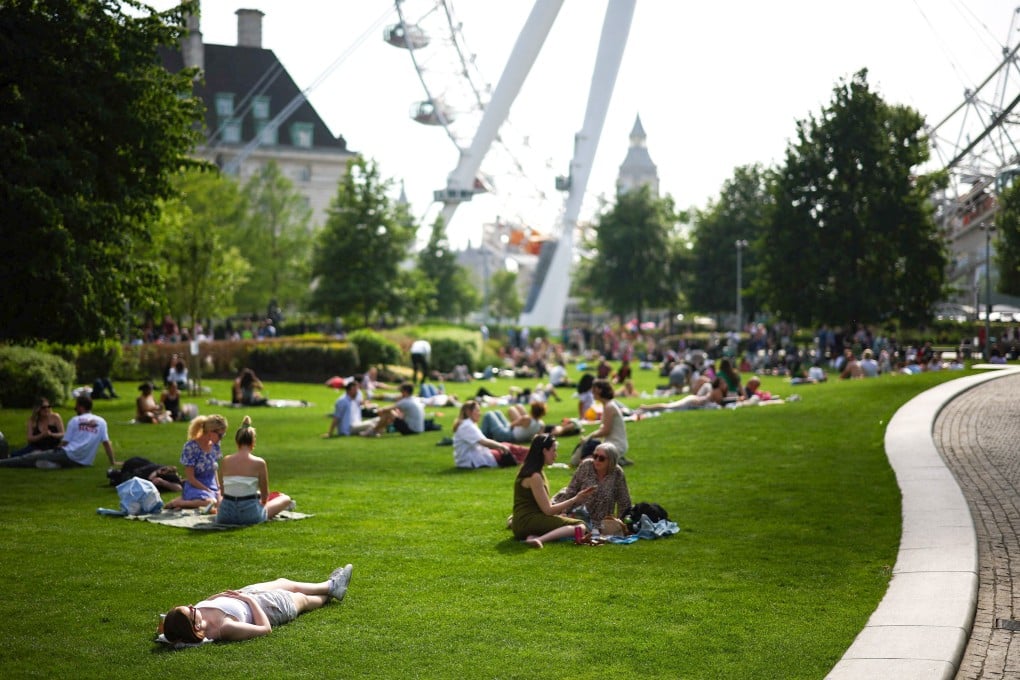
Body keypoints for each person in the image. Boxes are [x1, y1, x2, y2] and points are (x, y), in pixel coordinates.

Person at [161, 565, 353, 644]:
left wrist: (222, 596)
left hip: (246, 594)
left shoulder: (185, 622)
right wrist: (249, 600)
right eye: (192, 610)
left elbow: (168, 629)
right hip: (265, 608)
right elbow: (264, 629)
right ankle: (329, 593)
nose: (192, 605)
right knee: (302, 599)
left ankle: (329, 585)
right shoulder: (223, 628)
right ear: (195, 626)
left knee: (286, 582)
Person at [511, 434, 596, 548]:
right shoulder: (535, 476)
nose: (556, 455)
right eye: (553, 451)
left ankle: (531, 536)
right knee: (580, 525)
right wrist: (576, 499)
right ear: (544, 451)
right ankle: (539, 539)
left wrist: (560, 515)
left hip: (521, 522)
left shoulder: (531, 470)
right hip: (526, 522)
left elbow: (544, 507)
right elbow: (548, 511)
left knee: (566, 519)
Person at [0, 394, 117, 469]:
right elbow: (106, 443)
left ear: (81, 407)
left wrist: (53, 451)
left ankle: (3, 463)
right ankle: (45, 463)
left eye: (76, 406)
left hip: (68, 454)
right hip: (83, 462)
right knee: (38, 458)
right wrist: (113, 461)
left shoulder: (75, 420)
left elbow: (65, 442)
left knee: (29, 458)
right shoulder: (102, 422)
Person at [215, 416, 293, 525]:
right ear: (253, 442)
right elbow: (265, 496)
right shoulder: (259, 463)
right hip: (250, 515)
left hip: (225, 516)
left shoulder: (226, 461)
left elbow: (223, 492)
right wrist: (261, 503)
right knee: (286, 499)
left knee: (219, 494)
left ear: (237, 442)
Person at [552, 442, 631, 526]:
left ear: (611, 460)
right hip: (577, 515)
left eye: (601, 458)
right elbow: (571, 490)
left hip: (602, 521)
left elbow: (624, 501)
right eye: (595, 456)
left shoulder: (617, 473)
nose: (596, 460)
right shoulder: (586, 466)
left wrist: (622, 524)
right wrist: (564, 512)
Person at [164, 415, 228, 510]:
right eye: (220, 435)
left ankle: (183, 502)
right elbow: (191, 478)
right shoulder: (191, 447)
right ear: (211, 432)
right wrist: (207, 490)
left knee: (224, 500)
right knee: (211, 502)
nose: (221, 438)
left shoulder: (215, 445)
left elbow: (214, 469)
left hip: (211, 484)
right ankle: (180, 503)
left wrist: (218, 487)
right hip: (195, 485)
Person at [575, 379, 630, 466]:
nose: (592, 391)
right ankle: (616, 459)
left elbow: (605, 431)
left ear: (599, 390)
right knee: (584, 457)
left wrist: (589, 437)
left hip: (616, 445)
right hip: (611, 444)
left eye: (593, 389)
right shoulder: (607, 405)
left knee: (585, 462)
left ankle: (616, 460)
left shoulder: (609, 406)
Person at [452, 400, 515, 469]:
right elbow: (483, 441)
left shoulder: (468, 424)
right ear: (468, 412)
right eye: (477, 411)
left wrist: (501, 446)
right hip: (472, 460)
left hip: (475, 456)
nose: (480, 413)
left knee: (509, 447)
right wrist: (501, 446)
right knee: (511, 448)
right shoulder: (467, 426)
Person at [108, 456, 183, 492]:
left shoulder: (169, 477)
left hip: (135, 472)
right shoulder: (159, 470)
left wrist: (163, 482)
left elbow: (179, 488)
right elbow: (151, 477)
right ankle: (115, 475)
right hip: (136, 467)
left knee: (126, 479)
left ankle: (115, 475)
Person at [480, 401, 545, 443]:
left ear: (532, 410)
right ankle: (488, 439)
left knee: (489, 414)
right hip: (512, 435)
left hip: (507, 436)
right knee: (497, 412)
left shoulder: (527, 419)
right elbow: (536, 437)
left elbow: (512, 425)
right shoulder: (541, 424)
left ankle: (482, 439)